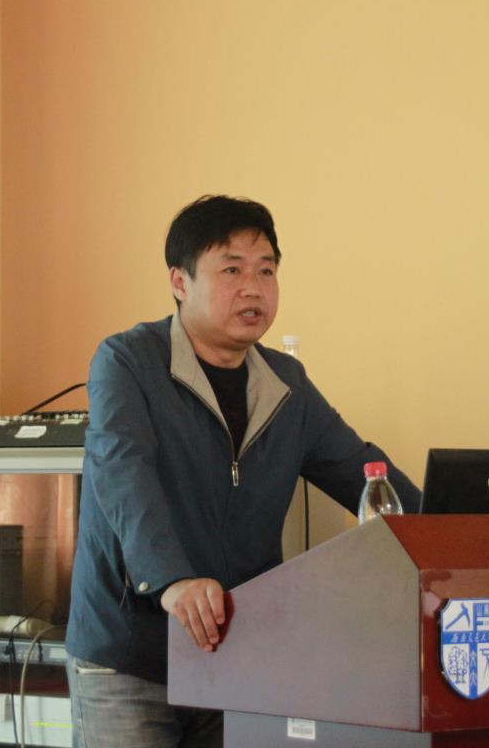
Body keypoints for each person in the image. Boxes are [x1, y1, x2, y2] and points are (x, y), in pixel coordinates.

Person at [64, 194, 420, 747]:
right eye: (231, 270)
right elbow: (123, 476)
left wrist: (455, 531)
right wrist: (172, 580)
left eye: (266, 270)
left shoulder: (286, 383)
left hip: (235, 654)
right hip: (131, 655)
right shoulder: (128, 361)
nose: (253, 288)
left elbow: (363, 472)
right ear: (179, 282)